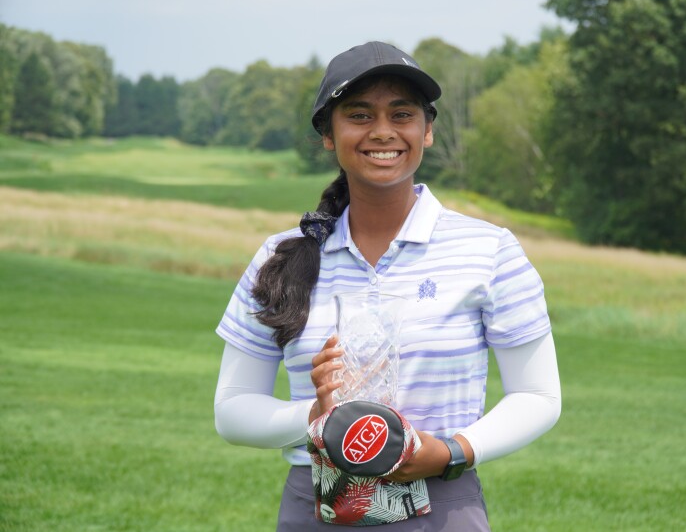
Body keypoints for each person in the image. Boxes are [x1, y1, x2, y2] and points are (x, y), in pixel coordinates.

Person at [214, 41, 561, 531]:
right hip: (316, 506)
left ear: (428, 130)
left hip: (443, 501)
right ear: (328, 136)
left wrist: (452, 451)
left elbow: (539, 396)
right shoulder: (281, 256)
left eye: (402, 114)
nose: (382, 132)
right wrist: (315, 415)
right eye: (358, 115)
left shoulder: (489, 250)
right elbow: (232, 412)